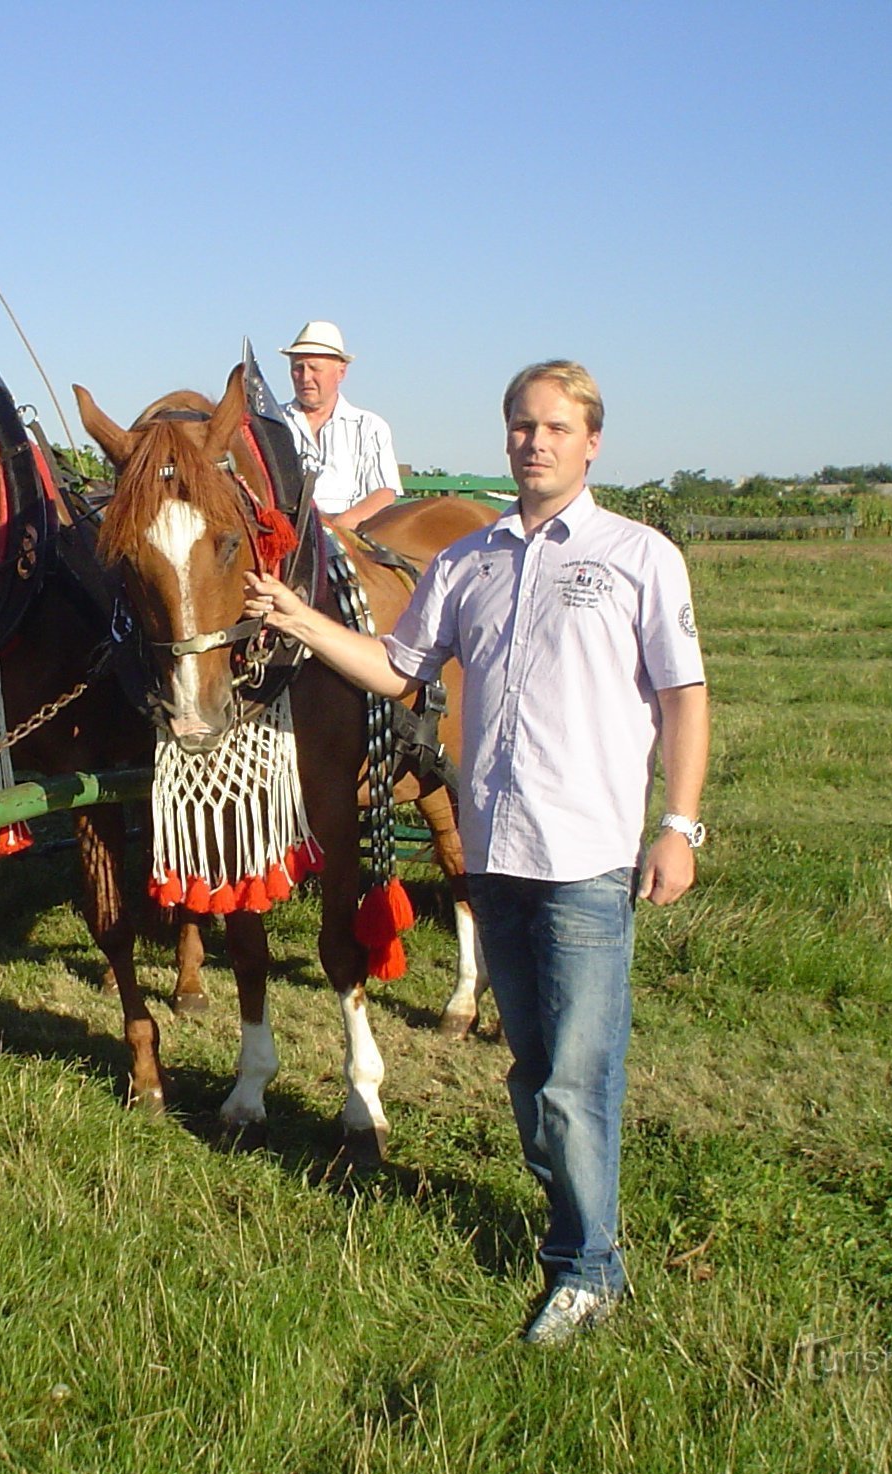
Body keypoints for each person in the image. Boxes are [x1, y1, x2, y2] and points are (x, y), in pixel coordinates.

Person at [244, 360, 709, 1344]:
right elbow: (396, 670)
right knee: (531, 1071)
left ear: (590, 442)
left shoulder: (638, 557)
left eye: (551, 427)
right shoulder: (467, 562)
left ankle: (587, 1265)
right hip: (494, 854)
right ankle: (566, 1235)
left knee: (576, 1075)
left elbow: (681, 697)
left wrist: (678, 824)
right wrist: (298, 620)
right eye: (517, 426)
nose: (531, 441)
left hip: (586, 856)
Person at [280, 320, 404, 530]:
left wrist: (341, 527)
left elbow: (385, 491)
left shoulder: (368, 426)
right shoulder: (273, 424)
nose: (305, 378)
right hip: (288, 532)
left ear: (341, 372)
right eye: (298, 368)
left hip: (351, 535)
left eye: (314, 368)